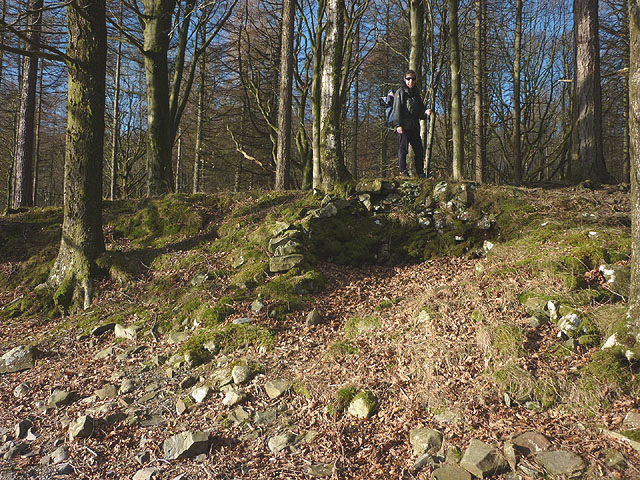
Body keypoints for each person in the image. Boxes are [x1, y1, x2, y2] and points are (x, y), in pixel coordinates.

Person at [392, 69, 432, 177]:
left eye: (413, 79)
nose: (411, 81)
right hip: (403, 126)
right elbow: (396, 109)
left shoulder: (416, 94)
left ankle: (420, 173)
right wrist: (397, 125)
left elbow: (420, 111)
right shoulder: (400, 92)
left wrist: (426, 112)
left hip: (414, 127)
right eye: (409, 79)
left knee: (419, 150)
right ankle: (402, 171)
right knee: (403, 149)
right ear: (405, 80)